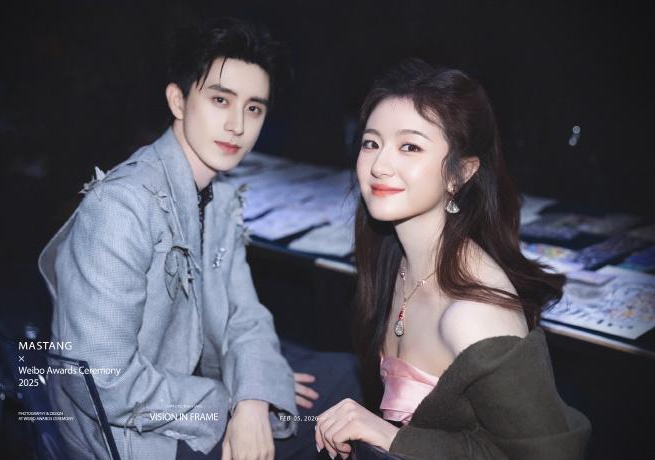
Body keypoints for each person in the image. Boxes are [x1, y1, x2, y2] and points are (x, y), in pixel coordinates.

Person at [38, 17, 345, 460]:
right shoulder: (120, 208)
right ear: (178, 100)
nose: (237, 125)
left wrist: (254, 397)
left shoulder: (217, 197)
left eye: (254, 108)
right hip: (129, 435)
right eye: (220, 100)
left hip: (188, 388)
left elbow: (244, 317)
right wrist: (229, 402)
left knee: (342, 379)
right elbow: (102, 382)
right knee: (333, 401)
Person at [314, 59, 591, 459]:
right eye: (371, 143)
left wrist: (391, 438)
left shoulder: (474, 314)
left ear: (459, 174)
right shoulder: (395, 259)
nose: (379, 165)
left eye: (409, 147)